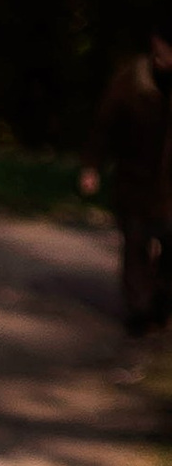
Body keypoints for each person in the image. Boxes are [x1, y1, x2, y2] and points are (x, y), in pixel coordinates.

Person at [80, 33, 172, 332]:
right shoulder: (131, 81)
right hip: (134, 181)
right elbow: (104, 125)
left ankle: (160, 298)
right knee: (135, 245)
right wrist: (92, 166)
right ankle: (139, 309)